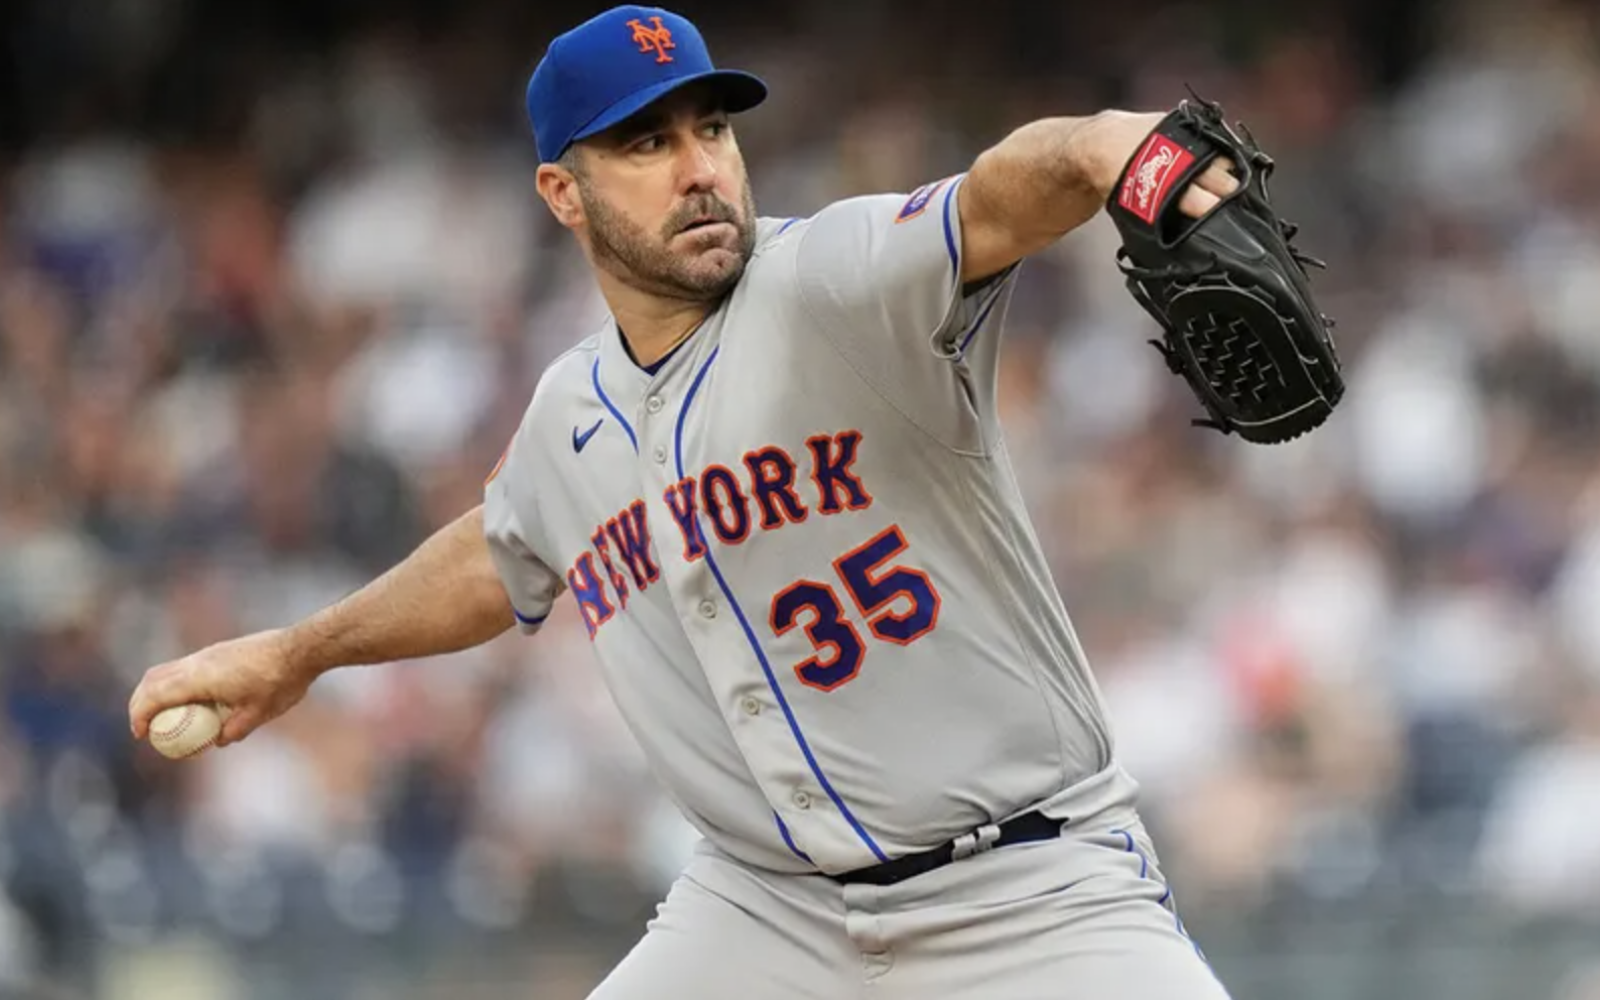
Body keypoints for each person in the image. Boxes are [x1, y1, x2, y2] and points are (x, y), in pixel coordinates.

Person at [129, 5, 1244, 997]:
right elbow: (503, 551)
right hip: (768, 913)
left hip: (1028, 887)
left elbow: (1005, 190)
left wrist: (1107, 147)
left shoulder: (833, 280)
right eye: (645, 143)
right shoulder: (570, 410)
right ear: (562, 191)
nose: (699, 166)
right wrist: (300, 652)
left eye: (711, 128)